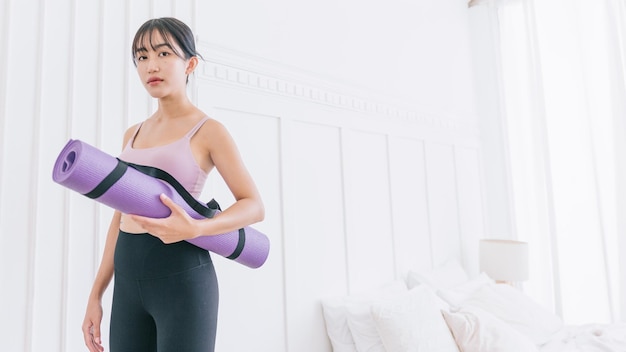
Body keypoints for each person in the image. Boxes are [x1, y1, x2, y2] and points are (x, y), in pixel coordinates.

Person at [81, 17, 264, 352]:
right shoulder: (132, 134)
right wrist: (96, 294)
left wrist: (197, 229)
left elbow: (253, 205)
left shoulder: (209, 131)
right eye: (142, 56)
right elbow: (118, 218)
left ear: (190, 63)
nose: (152, 65)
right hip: (127, 281)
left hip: (182, 280)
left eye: (164, 54)